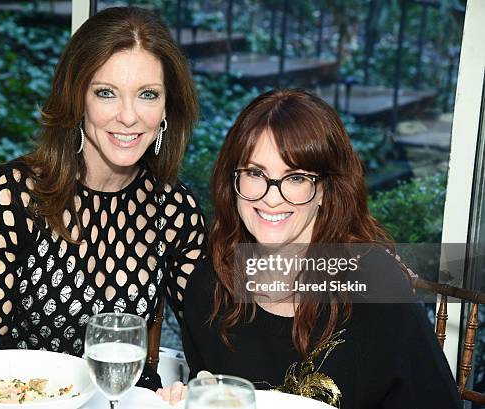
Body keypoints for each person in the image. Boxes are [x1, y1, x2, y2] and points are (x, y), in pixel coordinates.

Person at [0, 6, 207, 390]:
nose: (128, 116)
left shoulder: (174, 210)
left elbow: (214, 336)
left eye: (147, 95)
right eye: (106, 93)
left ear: (166, 107)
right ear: (77, 98)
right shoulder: (10, 197)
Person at [157, 89, 461, 408]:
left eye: (296, 178)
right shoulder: (210, 289)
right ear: (232, 180)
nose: (272, 198)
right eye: (255, 173)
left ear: (324, 191)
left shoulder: (375, 287)